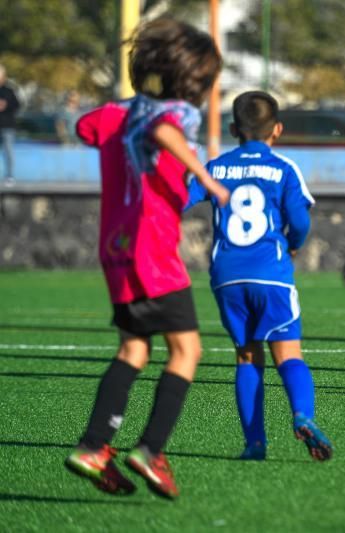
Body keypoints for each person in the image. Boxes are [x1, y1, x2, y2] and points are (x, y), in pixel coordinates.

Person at [64, 18, 229, 499]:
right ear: (192, 78)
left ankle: (94, 446)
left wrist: (127, 107)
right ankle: (151, 449)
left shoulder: (117, 113)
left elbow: (84, 125)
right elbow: (162, 130)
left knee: (134, 349)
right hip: (153, 250)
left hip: (115, 251)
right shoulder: (172, 114)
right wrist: (208, 178)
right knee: (187, 350)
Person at [185, 90, 332, 462]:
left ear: (234, 128)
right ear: (277, 129)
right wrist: (293, 243)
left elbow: (178, 200)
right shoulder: (283, 168)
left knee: (247, 357)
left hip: (227, 276)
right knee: (289, 355)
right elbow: (299, 220)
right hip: (271, 273)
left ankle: (254, 444)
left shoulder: (215, 167)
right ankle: (302, 415)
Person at [0, 64, 20, 183]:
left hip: (7, 126)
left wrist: (6, 105)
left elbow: (17, 105)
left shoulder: (9, 90)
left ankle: (9, 176)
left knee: (8, 151)